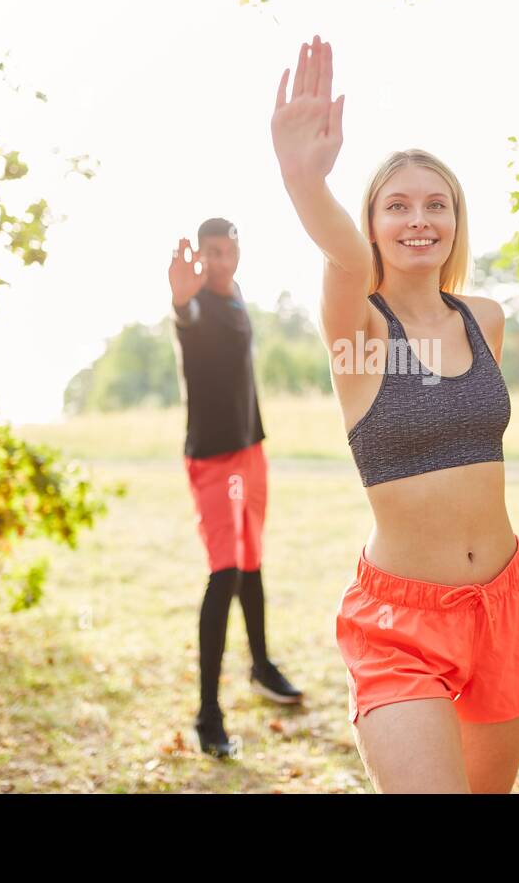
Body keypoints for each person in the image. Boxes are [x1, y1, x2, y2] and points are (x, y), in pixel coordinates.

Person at [270, 34, 519, 793]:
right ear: (371, 224)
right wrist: (303, 179)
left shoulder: (485, 319)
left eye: (437, 205)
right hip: (400, 626)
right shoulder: (358, 333)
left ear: (457, 222)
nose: (418, 219)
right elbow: (341, 260)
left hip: (502, 604)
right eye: (397, 206)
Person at [168, 218, 303, 759]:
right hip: (215, 459)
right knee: (224, 574)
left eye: (229, 251)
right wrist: (181, 301)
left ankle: (263, 667)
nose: (222, 262)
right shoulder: (196, 305)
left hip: (251, 449)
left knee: (251, 564)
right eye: (212, 254)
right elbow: (186, 317)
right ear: (200, 257)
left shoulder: (236, 294)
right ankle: (208, 715)